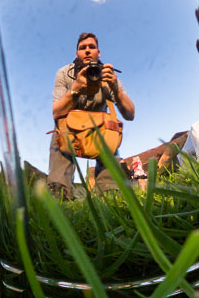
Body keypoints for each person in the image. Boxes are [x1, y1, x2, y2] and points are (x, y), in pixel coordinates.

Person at [48, 32, 135, 195]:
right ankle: (59, 190)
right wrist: (75, 89)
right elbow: (56, 112)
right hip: (70, 131)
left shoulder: (108, 75)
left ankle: (110, 190)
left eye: (92, 47)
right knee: (58, 130)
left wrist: (115, 89)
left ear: (98, 53)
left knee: (110, 136)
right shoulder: (64, 73)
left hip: (100, 132)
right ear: (76, 53)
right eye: (82, 48)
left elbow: (130, 114)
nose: (87, 51)